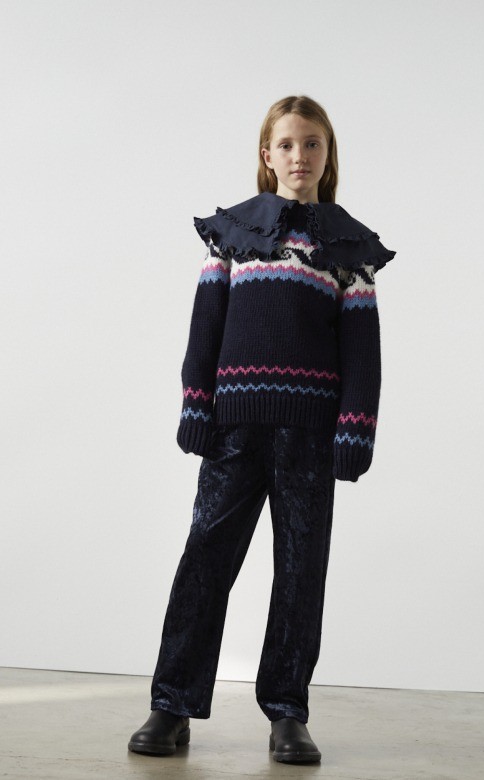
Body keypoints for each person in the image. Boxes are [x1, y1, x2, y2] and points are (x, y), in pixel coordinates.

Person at [128, 94, 396, 764]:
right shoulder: (233, 234)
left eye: (312, 143)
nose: (299, 155)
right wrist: (196, 405)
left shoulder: (348, 247)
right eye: (287, 144)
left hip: (309, 435)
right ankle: (171, 704)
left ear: (328, 155)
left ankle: (287, 713)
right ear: (266, 154)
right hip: (234, 429)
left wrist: (356, 429)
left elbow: (363, 352)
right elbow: (205, 328)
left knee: (301, 571)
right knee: (205, 560)